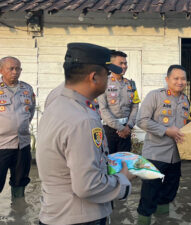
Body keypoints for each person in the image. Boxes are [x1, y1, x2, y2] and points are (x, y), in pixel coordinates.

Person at [36, 43, 135, 225]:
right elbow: (88, 186)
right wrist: (123, 178)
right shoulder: (82, 119)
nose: (110, 78)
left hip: (54, 212)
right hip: (79, 216)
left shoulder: (57, 102)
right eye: (107, 73)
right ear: (94, 77)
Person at [136, 64, 191, 225]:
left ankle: (163, 219)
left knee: (170, 191)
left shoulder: (185, 100)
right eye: (176, 78)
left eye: (183, 79)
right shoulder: (155, 96)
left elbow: (186, 125)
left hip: (176, 156)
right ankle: (143, 221)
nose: (180, 82)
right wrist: (166, 131)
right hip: (155, 154)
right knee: (149, 193)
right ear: (167, 80)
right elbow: (141, 120)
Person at [0, 56, 35, 198]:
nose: (15, 72)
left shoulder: (26, 88)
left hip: (22, 144)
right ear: (1, 70)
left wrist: (19, 126)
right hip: (1, 145)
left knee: (20, 180)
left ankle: (18, 212)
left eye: (18, 68)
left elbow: (30, 112)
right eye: (11, 68)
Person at [98, 50, 140, 154]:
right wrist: (120, 128)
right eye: (120, 63)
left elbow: (135, 106)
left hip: (127, 129)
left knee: (124, 161)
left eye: (125, 63)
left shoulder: (131, 84)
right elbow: (103, 109)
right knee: (109, 162)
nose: (124, 66)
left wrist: (128, 126)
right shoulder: (103, 83)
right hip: (109, 130)